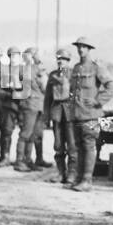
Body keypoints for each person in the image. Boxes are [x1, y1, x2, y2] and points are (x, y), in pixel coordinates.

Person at [68, 37, 113, 193]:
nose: (80, 49)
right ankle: (80, 178)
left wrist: (97, 101)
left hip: (91, 115)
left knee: (89, 146)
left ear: (89, 49)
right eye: (79, 47)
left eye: (84, 47)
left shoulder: (96, 67)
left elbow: (112, 85)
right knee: (79, 146)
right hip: (77, 114)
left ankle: (87, 180)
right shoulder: (75, 68)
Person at [43, 48, 76, 184]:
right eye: (58, 59)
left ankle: (72, 174)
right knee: (58, 145)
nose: (60, 61)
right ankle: (60, 173)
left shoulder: (74, 75)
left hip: (70, 113)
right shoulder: (52, 76)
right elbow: (47, 98)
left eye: (63, 59)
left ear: (68, 61)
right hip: (56, 111)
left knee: (72, 145)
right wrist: (46, 116)